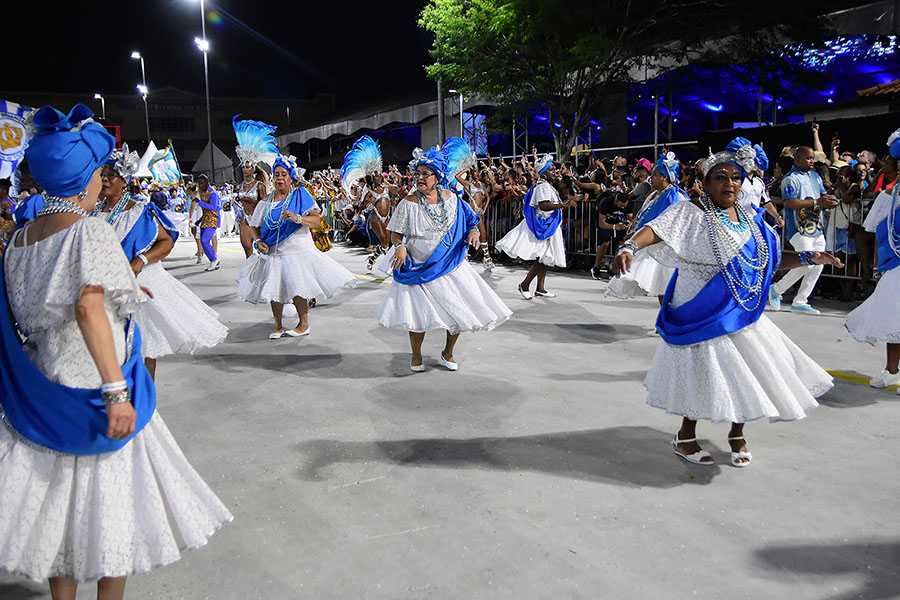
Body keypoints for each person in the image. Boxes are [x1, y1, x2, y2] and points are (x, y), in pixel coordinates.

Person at [0, 104, 231, 599]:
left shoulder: (17, 240)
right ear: (85, 179)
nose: (103, 183)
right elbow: (86, 306)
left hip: (42, 393)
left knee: (59, 517)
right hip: (91, 394)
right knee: (109, 521)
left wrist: (119, 300)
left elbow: (42, 309)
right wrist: (115, 391)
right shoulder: (90, 230)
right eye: (100, 174)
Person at [614, 139, 840, 468]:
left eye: (736, 177)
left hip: (740, 306)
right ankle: (685, 434)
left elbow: (771, 260)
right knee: (700, 371)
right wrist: (630, 247)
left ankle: (737, 432)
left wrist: (808, 256)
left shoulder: (752, 222)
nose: (729, 183)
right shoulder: (690, 214)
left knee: (742, 370)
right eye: (720, 177)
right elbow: (654, 230)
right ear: (705, 183)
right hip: (697, 304)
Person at [375, 142, 512, 371]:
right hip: (418, 266)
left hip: (451, 264)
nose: (419, 178)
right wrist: (399, 245)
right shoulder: (407, 204)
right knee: (417, 316)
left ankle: (448, 352)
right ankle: (416, 355)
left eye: (425, 174)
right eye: (417, 174)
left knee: (456, 310)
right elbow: (396, 232)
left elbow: (473, 221)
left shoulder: (454, 200)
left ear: (437, 177)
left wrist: (475, 232)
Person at [95, 144, 228, 380]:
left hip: (141, 284)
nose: (105, 179)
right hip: (105, 289)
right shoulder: (95, 211)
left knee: (144, 347)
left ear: (124, 180)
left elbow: (166, 241)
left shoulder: (140, 209)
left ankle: (145, 403)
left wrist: (141, 260)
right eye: (103, 174)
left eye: (111, 175)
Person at [236, 155, 356, 338]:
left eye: (284, 174)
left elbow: (316, 220)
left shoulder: (300, 195)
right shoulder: (266, 200)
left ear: (291, 177)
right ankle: (277, 326)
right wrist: (258, 241)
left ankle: (303, 325)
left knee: (297, 287)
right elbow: (254, 224)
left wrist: (297, 218)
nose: (279, 178)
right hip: (274, 251)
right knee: (274, 288)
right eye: (276, 174)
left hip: (297, 249)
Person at [846, 128, 900, 393]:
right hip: (894, 269)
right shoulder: (886, 198)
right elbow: (871, 231)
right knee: (894, 322)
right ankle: (891, 372)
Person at [605, 152, 689, 301]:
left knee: (669, 291)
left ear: (664, 177)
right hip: (654, 246)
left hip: (667, 250)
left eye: (655, 175)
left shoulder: (676, 197)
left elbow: (673, 226)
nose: (651, 178)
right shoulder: (655, 195)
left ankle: (668, 322)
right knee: (662, 289)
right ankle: (664, 322)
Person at [769, 146, 838, 314]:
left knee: (818, 264)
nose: (812, 160)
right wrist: (817, 202)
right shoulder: (790, 178)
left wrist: (829, 200)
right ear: (798, 159)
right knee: (807, 262)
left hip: (817, 227)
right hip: (798, 229)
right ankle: (776, 290)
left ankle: (801, 300)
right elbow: (789, 203)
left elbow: (822, 197)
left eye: (813, 157)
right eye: (808, 158)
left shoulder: (815, 176)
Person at [496, 154, 575, 299]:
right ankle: (525, 285)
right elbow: (543, 205)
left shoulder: (547, 185)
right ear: (544, 172)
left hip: (548, 225)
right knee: (542, 258)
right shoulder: (543, 186)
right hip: (542, 226)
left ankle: (540, 288)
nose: (555, 171)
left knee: (545, 258)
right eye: (551, 169)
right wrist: (564, 205)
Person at [233, 116, 277, 258]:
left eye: (247, 167)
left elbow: (264, 203)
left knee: (262, 251)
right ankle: (250, 277)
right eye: (243, 167)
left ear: (253, 169)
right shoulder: (240, 186)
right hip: (245, 218)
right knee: (247, 249)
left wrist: (253, 203)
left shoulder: (259, 186)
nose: (245, 170)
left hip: (258, 220)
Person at [191, 174, 221, 271]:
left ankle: (214, 260)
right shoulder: (203, 193)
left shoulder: (213, 193)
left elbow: (212, 207)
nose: (201, 185)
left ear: (207, 182)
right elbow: (206, 210)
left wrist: (199, 202)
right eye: (199, 184)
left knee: (204, 240)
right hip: (205, 220)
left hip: (212, 220)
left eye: (202, 183)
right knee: (203, 243)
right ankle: (214, 260)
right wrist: (199, 220)